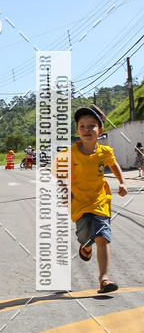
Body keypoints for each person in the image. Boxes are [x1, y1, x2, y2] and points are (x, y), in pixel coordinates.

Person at [69, 106, 127, 293]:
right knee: (86, 237)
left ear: (100, 131)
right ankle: (85, 247)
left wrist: (122, 182)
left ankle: (104, 279)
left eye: (92, 126)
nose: (87, 129)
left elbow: (114, 164)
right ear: (77, 131)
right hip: (79, 203)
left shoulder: (105, 151)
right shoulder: (71, 153)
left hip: (100, 201)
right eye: (82, 126)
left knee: (103, 237)